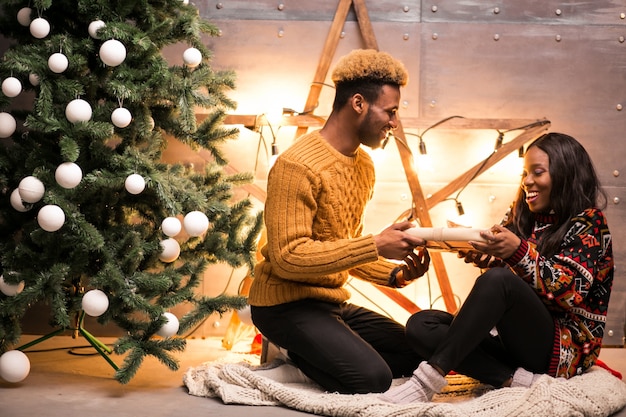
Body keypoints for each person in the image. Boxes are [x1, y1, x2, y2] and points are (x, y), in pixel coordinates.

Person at [247, 49, 431, 394]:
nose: (394, 122)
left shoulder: (363, 166)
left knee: (419, 354)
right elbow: (289, 257)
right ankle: (296, 358)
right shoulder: (296, 166)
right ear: (358, 103)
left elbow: (342, 246)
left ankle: (323, 352)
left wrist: (397, 273)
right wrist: (376, 244)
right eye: (390, 112)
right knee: (372, 379)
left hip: (330, 303)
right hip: (283, 306)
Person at [382, 132, 614, 403]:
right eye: (524, 174)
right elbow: (515, 282)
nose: (527, 182)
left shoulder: (590, 222)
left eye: (537, 172)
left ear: (566, 174)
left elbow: (569, 294)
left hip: (561, 350)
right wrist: (489, 256)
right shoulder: (522, 215)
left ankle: (425, 383)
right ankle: (517, 379)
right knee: (421, 325)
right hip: (511, 343)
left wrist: (516, 253)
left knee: (498, 280)